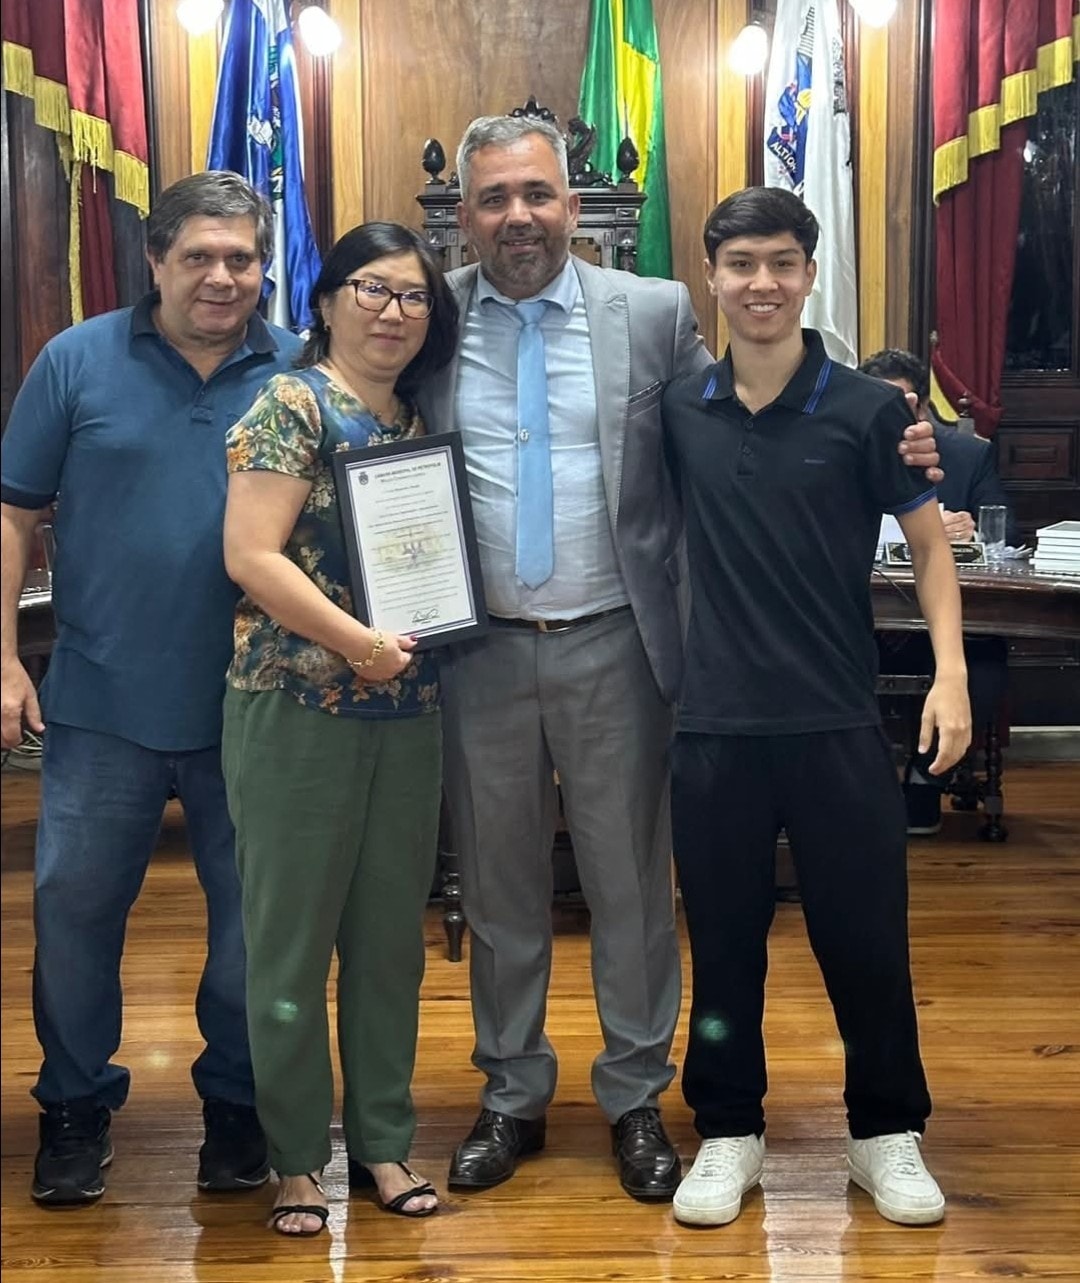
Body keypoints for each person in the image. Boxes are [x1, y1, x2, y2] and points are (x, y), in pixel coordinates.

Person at [420, 113, 942, 1203]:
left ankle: (636, 1098)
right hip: (480, 652)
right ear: (465, 215)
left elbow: (759, 395)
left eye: (538, 194)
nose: (518, 215)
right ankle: (511, 1091)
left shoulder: (652, 314)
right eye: (494, 198)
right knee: (502, 887)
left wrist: (908, 434)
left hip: (620, 640)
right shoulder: (429, 315)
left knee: (633, 889)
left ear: (572, 203)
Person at [661, 187, 971, 1229]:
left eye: (783, 262)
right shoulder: (679, 411)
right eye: (742, 263)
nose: (761, 282)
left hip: (838, 719)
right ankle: (727, 1128)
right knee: (724, 943)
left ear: (808, 274)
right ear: (711, 275)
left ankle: (885, 1130)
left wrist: (952, 673)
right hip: (714, 725)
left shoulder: (873, 411)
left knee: (866, 936)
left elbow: (931, 549)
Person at [0, 171, 301, 1206]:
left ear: (265, 265)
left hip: (258, 706)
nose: (223, 278)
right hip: (99, 704)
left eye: (243, 259)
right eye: (201, 257)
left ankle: (236, 1101)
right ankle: (75, 1106)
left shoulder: (302, 369)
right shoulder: (75, 360)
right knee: (73, 914)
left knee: (254, 927)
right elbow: (11, 512)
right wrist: (2, 655)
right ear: (157, 261)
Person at [221, 221, 458, 1235]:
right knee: (288, 943)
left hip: (405, 716)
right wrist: (359, 641)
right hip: (296, 707)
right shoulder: (289, 402)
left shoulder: (415, 425)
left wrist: (393, 650)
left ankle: (383, 1140)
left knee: (387, 943)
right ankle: (292, 1158)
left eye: (413, 296)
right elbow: (251, 554)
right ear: (324, 301)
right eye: (372, 288)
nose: (393, 311)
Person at [860, 348, 1015, 835]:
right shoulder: (844, 448)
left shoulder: (970, 454)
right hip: (861, 620)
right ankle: (864, 780)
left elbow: (1001, 532)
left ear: (923, 409)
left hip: (944, 624)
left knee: (986, 657)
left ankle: (925, 777)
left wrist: (967, 529)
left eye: (901, 405)